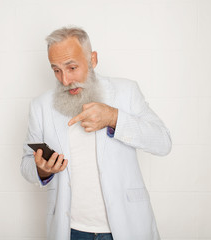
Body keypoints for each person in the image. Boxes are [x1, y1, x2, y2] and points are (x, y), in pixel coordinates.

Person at [21, 26, 172, 240]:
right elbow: (26, 165)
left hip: (126, 226)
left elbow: (163, 142)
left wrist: (114, 118)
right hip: (70, 230)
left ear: (92, 59)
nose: (65, 80)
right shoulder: (41, 106)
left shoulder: (126, 92)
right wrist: (42, 170)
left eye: (72, 67)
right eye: (56, 70)